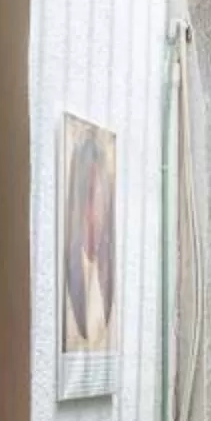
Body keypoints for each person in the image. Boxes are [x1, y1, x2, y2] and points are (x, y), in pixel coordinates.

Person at [62, 126, 116, 355]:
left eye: (99, 194)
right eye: (88, 192)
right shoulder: (69, 268)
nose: (93, 210)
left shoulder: (111, 269)